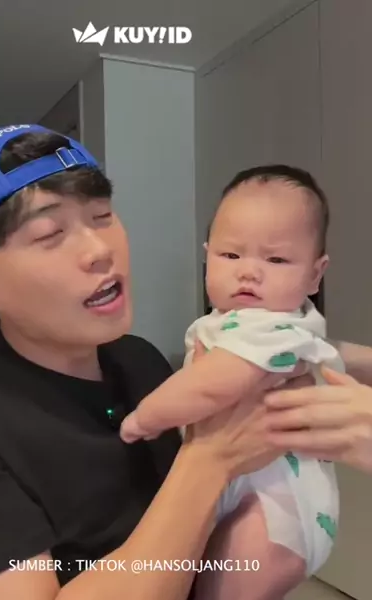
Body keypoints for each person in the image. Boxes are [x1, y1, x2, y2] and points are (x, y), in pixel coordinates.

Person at [0, 125, 306, 600]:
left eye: (102, 216)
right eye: (50, 234)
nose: (99, 250)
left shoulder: (139, 358)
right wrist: (210, 460)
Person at [119, 165, 344, 599]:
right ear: (208, 256)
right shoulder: (240, 320)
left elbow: (215, 383)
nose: (249, 272)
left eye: (275, 260)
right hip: (250, 494)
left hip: (277, 514)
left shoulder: (270, 325)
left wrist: (146, 416)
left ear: (315, 275)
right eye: (231, 256)